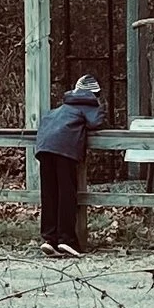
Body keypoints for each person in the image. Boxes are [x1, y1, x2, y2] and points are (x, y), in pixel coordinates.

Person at [31, 74, 105, 256]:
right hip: (64, 149)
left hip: (45, 147)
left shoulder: (63, 107)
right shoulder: (90, 106)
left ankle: (50, 238)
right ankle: (66, 239)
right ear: (95, 93)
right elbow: (96, 123)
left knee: (49, 193)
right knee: (66, 193)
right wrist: (101, 110)